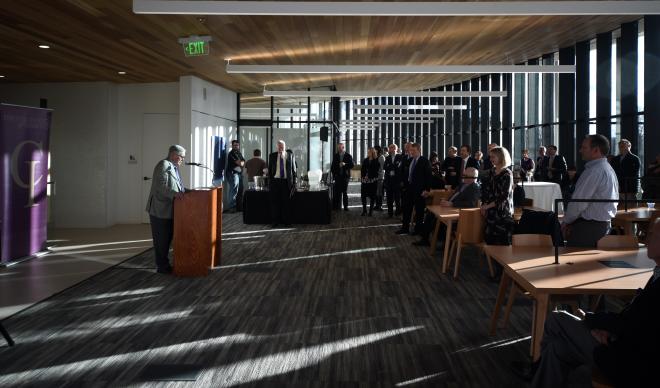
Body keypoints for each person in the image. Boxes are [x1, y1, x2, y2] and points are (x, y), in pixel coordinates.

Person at [521, 218, 660, 388]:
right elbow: (637, 322)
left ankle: (535, 369)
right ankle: (538, 373)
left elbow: (643, 332)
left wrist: (607, 335)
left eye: (653, 235)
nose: (646, 239)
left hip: (630, 363)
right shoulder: (657, 274)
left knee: (555, 320)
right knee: (556, 348)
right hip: (626, 347)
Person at [561, 134, 618, 247]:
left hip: (589, 228)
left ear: (596, 150)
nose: (580, 150)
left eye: (584, 147)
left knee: (577, 263)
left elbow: (579, 202)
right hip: (600, 226)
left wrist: (566, 221)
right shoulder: (606, 168)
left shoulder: (595, 171)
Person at [413, 167, 481, 246]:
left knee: (436, 219)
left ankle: (444, 244)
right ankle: (425, 239)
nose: (463, 177)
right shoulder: (462, 184)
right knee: (430, 214)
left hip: (458, 213)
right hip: (450, 206)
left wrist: (452, 204)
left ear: (473, 178)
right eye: (463, 175)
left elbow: (471, 203)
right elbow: (454, 195)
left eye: (465, 176)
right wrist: (447, 200)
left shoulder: (475, 188)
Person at [145, 145, 186, 274]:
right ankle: (162, 266)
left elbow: (176, 186)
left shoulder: (174, 167)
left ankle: (164, 264)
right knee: (161, 240)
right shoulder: (163, 165)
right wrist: (176, 194)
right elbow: (160, 187)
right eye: (181, 157)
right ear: (174, 155)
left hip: (169, 210)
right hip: (159, 210)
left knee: (167, 240)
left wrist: (186, 192)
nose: (182, 160)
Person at [480, 146, 514, 245]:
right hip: (491, 210)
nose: (490, 159)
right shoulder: (492, 171)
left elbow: (504, 196)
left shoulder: (507, 174)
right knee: (489, 239)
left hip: (502, 211)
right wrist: (484, 204)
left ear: (501, 157)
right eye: (490, 157)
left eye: (493, 157)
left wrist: (487, 206)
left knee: (502, 242)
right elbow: (486, 190)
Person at [396, 143, 432, 235]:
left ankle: (417, 230)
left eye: (413, 150)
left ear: (419, 150)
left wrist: (427, 190)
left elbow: (428, 177)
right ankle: (405, 228)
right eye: (411, 150)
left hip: (420, 191)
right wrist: (403, 185)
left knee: (419, 211)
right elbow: (406, 174)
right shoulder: (410, 160)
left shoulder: (424, 161)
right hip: (409, 189)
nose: (411, 152)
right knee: (406, 209)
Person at [268, 140, 296, 227]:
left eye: (282, 146)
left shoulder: (290, 155)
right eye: (279, 146)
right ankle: (275, 222)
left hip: (285, 182)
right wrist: (270, 182)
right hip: (275, 182)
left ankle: (287, 222)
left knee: (286, 203)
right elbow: (269, 170)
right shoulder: (272, 156)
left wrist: (294, 183)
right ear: (277, 147)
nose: (281, 148)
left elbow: (293, 170)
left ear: (285, 146)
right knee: (275, 203)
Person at [331, 143, 354, 211]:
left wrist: (344, 164)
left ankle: (346, 207)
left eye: (340, 147)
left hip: (345, 176)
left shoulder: (348, 155)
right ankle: (337, 207)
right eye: (338, 147)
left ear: (343, 147)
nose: (339, 149)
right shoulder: (336, 156)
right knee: (338, 192)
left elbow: (352, 165)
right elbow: (332, 167)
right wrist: (337, 168)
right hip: (338, 176)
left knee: (344, 191)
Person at [226, 140, 245, 212]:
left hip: (238, 173)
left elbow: (243, 162)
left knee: (240, 189)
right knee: (234, 190)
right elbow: (240, 163)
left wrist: (241, 163)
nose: (236, 146)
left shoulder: (239, 153)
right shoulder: (231, 153)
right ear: (232, 146)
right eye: (234, 145)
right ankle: (232, 207)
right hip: (232, 173)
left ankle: (239, 207)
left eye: (237, 145)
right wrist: (241, 163)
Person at [384, 143, 403, 218]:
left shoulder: (400, 157)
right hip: (389, 181)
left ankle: (398, 212)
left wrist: (392, 166)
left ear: (395, 149)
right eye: (389, 148)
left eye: (391, 148)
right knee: (389, 198)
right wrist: (393, 167)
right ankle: (390, 213)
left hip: (397, 181)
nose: (390, 149)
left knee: (397, 198)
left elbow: (400, 168)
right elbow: (385, 167)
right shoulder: (387, 158)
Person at [360, 147, 380, 216]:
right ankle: (364, 210)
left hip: (372, 181)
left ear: (373, 153)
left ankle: (370, 211)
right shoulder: (365, 160)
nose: (368, 153)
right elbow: (362, 170)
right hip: (365, 181)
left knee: (372, 196)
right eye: (368, 152)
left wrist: (369, 176)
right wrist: (363, 177)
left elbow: (376, 171)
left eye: (369, 152)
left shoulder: (376, 161)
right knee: (363, 196)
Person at [374, 145, 386, 211]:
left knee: (380, 192)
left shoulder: (381, 157)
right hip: (375, 176)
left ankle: (380, 205)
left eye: (375, 149)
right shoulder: (375, 156)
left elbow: (382, 167)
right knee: (376, 192)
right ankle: (377, 205)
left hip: (380, 176)